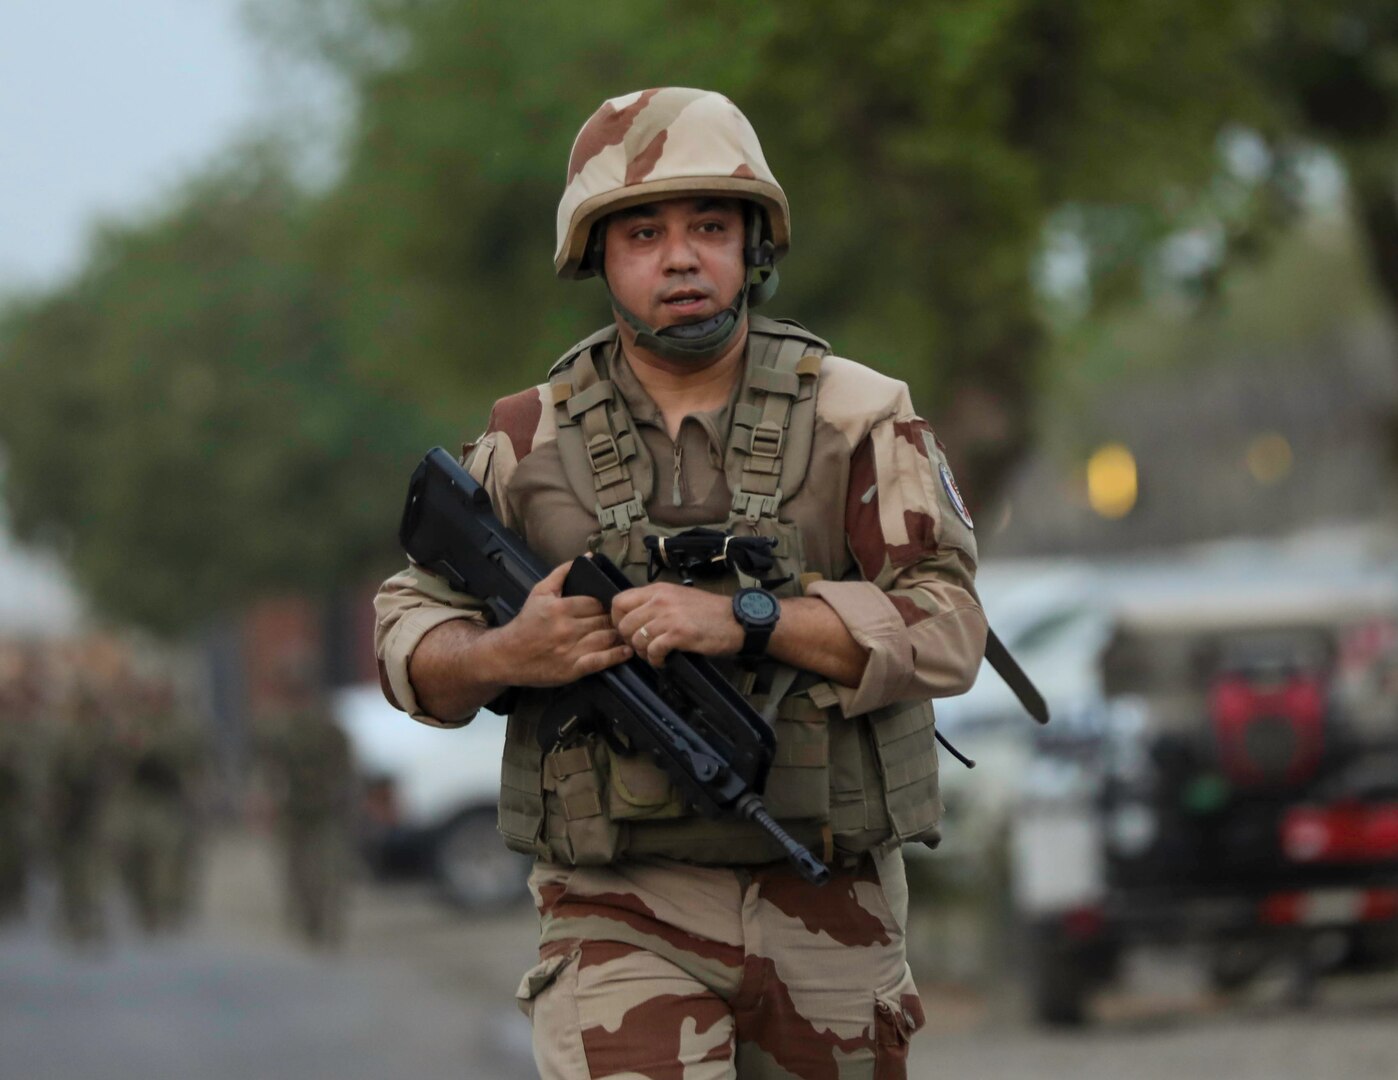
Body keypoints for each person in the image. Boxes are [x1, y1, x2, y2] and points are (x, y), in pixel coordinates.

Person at [374, 87, 986, 1079]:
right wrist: (504, 652)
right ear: (600, 258)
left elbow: (950, 623)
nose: (681, 256)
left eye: (710, 224)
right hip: (619, 903)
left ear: (754, 245)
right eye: (643, 232)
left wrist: (747, 618)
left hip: (829, 895)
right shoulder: (527, 436)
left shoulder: (858, 415)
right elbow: (409, 631)